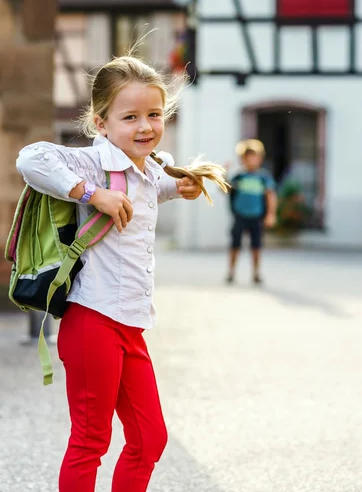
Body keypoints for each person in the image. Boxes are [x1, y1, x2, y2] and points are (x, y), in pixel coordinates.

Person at [15, 55, 228, 492]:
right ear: (101, 123)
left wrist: (178, 187)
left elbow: (146, 190)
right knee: (91, 441)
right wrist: (93, 195)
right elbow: (29, 159)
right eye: (130, 117)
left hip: (130, 325)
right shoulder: (94, 164)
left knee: (149, 439)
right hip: (92, 320)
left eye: (154, 114)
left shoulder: (149, 168)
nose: (145, 126)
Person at [226, 139, 277, 285]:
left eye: (255, 157)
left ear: (260, 158)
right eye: (248, 157)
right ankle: (231, 271)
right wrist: (225, 174)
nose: (252, 160)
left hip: (256, 217)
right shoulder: (238, 176)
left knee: (256, 246)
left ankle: (256, 273)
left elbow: (270, 195)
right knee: (235, 245)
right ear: (243, 159)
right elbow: (226, 189)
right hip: (240, 215)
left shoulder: (263, 177)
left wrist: (271, 214)